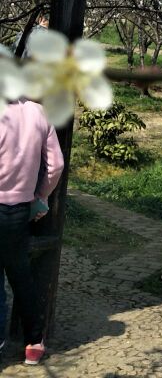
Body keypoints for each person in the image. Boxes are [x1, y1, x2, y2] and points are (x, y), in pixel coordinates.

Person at [0, 99, 64, 365]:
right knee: (21, 277)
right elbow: (56, 165)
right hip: (18, 212)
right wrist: (40, 196)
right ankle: (34, 343)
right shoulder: (39, 112)